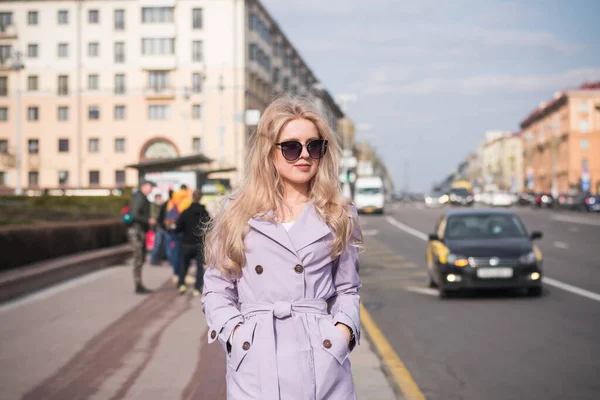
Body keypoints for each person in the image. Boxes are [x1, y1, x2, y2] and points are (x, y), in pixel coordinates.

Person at [201, 96, 363, 399]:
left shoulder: (338, 214)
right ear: (270, 153)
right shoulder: (237, 214)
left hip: (323, 362)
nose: (304, 156)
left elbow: (348, 290)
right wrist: (238, 336)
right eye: (291, 147)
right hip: (257, 362)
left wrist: (341, 334)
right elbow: (216, 290)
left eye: (314, 146)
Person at [176, 189, 211, 296]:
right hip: (199, 243)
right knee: (200, 268)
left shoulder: (185, 212)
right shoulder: (204, 213)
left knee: (184, 265)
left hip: (186, 243)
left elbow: (178, 228)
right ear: (201, 198)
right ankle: (197, 288)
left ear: (193, 197)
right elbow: (209, 227)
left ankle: (181, 284)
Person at [128, 179, 156, 294]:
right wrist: (147, 220)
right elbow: (135, 214)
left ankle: (139, 284)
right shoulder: (139, 198)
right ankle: (138, 284)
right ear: (143, 186)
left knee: (140, 258)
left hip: (140, 231)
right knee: (138, 258)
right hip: (137, 231)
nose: (151, 189)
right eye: (150, 186)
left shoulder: (142, 198)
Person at [165, 185, 192, 283]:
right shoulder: (186, 200)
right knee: (181, 255)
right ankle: (181, 275)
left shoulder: (172, 201)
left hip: (171, 230)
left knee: (174, 253)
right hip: (181, 231)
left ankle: (176, 274)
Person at [150, 193, 166, 265]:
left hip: (161, 227)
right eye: (158, 198)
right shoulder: (154, 206)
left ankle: (158, 259)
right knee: (157, 243)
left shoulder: (162, 205)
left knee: (161, 245)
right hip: (158, 227)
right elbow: (155, 216)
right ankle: (153, 260)